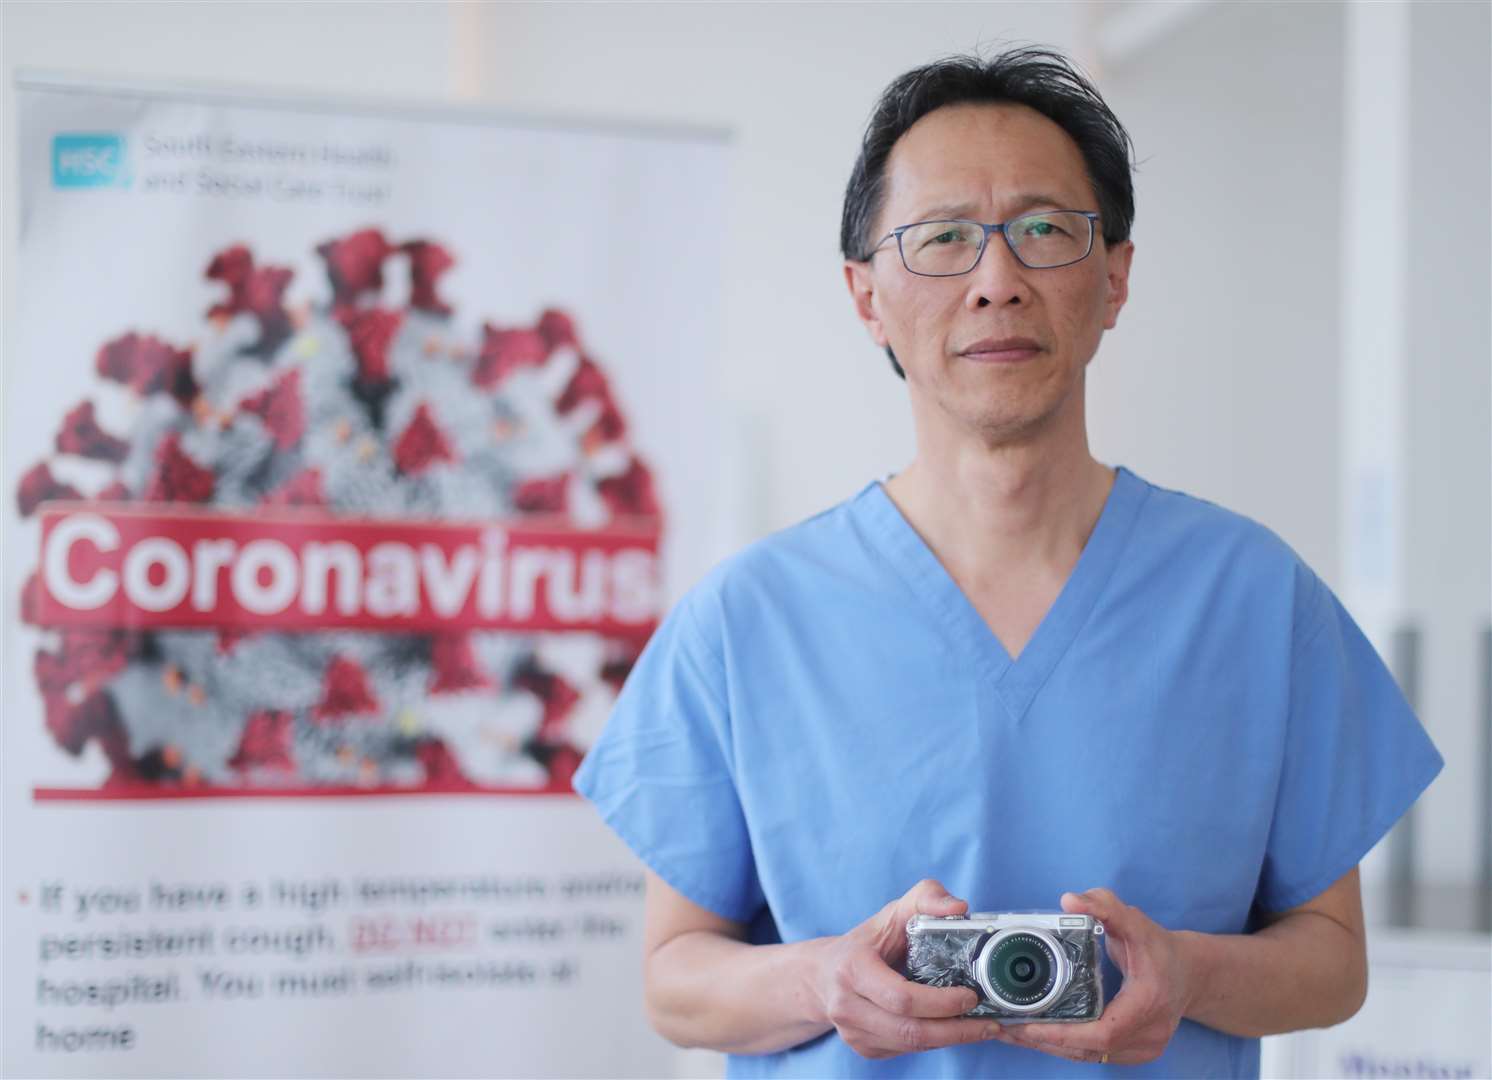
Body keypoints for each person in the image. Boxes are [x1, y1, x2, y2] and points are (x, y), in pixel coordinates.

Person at [572, 47, 1442, 1078]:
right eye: (942, 238)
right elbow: (675, 977)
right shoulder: (746, 619)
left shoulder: (1253, 598)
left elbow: (1333, 962)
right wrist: (821, 983)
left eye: (1043, 230)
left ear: (1113, 276)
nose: (996, 282)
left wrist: (1184, 974)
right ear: (865, 297)